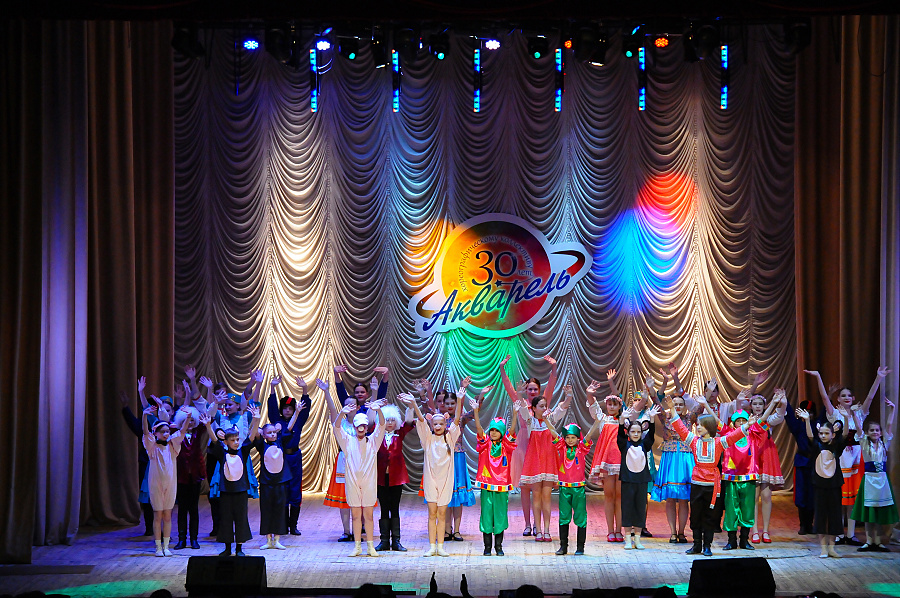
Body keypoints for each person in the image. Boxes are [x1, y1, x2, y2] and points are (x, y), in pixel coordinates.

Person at [804, 366, 889, 545]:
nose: (847, 398)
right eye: (843, 395)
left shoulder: (859, 413)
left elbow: (870, 397)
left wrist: (879, 377)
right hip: (841, 457)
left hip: (857, 456)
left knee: (852, 500)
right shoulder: (834, 413)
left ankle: (850, 534)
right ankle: (838, 533)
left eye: (849, 395)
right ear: (838, 399)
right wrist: (818, 376)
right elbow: (824, 397)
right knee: (839, 498)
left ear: (853, 398)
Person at [668, 396, 749, 557]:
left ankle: (707, 546)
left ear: (709, 427)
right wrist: (671, 408)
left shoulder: (718, 442)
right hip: (697, 484)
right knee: (695, 515)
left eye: (701, 425)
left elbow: (734, 436)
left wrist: (748, 424)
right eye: (697, 425)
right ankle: (697, 544)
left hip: (712, 486)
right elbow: (680, 428)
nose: (698, 427)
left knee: (710, 516)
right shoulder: (693, 441)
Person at [502, 355, 569, 543]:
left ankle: (543, 528)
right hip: (525, 444)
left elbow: (552, 387)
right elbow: (510, 389)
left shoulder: (543, 405)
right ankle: (527, 524)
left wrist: (554, 367)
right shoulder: (523, 406)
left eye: (535, 389)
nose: (532, 391)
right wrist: (502, 370)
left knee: (543, 491)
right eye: (529, 389)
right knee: (525, 487)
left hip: (543, 448)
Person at [325, 365, 389, 541]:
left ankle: (360, 530)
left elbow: (376, 418)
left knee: (361, 497)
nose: (350, 406)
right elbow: (334, 412)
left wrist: (375, 392)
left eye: (353, 404)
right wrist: (326, 391)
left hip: (362, 462)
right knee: (344, 499)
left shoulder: (363, 420)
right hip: (344, 461)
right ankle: (347, 531)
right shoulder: (342, 423)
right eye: (347, 404)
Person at [401, 387, 463, 557]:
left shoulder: (450, 438)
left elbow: (457, 420)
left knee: (442, 514)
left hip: (446, 482)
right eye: (435, 424)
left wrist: (459, 400)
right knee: (432, 514)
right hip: (431, 481)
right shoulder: (427, 439)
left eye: (441, 423)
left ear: (445, 424)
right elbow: (421, 421)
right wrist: (414, 404)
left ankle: (440, 546)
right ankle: (432, 546)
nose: (437, 426)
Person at [548, 387, 601, 556]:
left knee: (580, 516)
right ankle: (563, 546)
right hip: (564, 488)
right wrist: (546, 421)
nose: (570, 440)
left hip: (578, 488)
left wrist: (597, 423)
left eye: (573, 437)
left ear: (578, 438)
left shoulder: (581, 448)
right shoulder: (561, 447)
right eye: (568, 437)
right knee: (563, 516)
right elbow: (553, 432)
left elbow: (589, 435)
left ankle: (580, 547)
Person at [203, 406, 261, 557]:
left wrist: (256, 420)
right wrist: (208, 426)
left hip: (240, 491)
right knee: (226, 519)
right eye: (232, 440)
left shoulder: (243, 451)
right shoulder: (222, 453)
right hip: (226, 492)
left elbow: (251, 437)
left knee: (241, 518)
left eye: (237, 440)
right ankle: (228, 548)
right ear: (226, 442)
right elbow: (215, 441)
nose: (236, 442)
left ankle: (239, 548)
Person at [251, 389, 305, 550]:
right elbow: (255, 435)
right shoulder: (262, 445)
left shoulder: (281, 441)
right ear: (264, 435)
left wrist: (297, 413)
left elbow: (288, 428)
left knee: (281, 507)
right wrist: (256, 419)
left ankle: (278, 539)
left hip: (280, 481)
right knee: (267, 509)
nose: (273, 434)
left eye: (275, 432)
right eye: (270, 432)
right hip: (267, 483)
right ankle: (268, 539)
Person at [650, 364, 695, 544]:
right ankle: (673, 533)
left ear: (684, 406)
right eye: (675, 404)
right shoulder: (665, 417)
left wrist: (676, 379)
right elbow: (655, 401)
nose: (677, 406)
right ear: (671, 406)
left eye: (680, 404)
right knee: (670, 498)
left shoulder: (690, 418)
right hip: (669, 459)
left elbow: (701, 406)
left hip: (684, 459)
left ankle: (682, 532)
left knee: (684, 499)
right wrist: (651, 387)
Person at [469, 388, 517, 556]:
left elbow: (512, 431)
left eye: (497, 430)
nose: (494, 433)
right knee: (487, 516)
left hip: (501, 486)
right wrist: (476, 412)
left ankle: (499, 547)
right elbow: (479, 429)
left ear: (502, 432)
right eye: (492, 430)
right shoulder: (485, 444)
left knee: (500, 516)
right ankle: (487, 547)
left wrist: (515, 413)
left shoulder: (506, 446)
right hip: (487, 485)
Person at [797, 406, 849, 558]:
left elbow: (845, 434)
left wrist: (846, 418)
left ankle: (832, 547)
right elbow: (809, 435)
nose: (823, 436)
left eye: (826, 433)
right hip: (819, 485)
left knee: (834, 516)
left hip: (834, 485)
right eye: (821, 433)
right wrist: (807, 421)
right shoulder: (816, 446)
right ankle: (823, 548)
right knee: (820, 516)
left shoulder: (836, 446)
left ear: (833, 435)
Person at [141, 404, 192, 556]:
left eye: (167, 431)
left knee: (168, 515)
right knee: (158, 515)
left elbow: (182, 431)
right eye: (162, 431)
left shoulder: (172, 446)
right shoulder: (152, 447)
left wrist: (188, 417)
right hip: (156, 484)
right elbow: (145, 432)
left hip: (170, 484)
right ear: (156, 433)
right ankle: (158, 547)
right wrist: (144, 415)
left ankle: (166, 546)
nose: (166, 434)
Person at [850, 399, 898, 552]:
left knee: (879, 511)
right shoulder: (864, 443)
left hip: (882, 481)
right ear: (867, 432)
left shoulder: (884, 443)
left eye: (877, 430)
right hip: (869, 480)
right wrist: (853, 413)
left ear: (880, 432)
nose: (875, 432)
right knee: (869, 511)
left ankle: (878, 541)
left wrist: (892, 410)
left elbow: (889, 424)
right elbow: (858, 427)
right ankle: (869, 541)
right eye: (872, 430)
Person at [267, 375, 311, 536]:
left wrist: (304, 389)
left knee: (295, 489)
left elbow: (305, 407)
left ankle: (294, 526)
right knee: (283, 490)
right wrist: (272, 387)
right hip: (281, 458)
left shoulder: (298, 420)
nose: (287, 410)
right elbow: (272, 406)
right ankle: (284, 525)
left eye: (290, 408)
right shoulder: (276, 420)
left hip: (294, 458)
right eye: (285, 408)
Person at [588, 390, 630, 542]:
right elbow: (593, 407)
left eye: (614, 404)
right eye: (609, 404)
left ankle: (619, 530)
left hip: (621, 462)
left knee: (620, 497)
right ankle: (610, 531)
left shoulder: (625, 421)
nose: (611, 407)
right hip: (607, 464)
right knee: (609, 496)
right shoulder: (603, 419)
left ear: (619, 406)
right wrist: (589, 394)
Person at [616, 404, 660, 550]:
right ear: (628, 433)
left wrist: (652, 419)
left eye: (638, 432)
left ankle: (638, 539)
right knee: (627, 508)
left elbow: (651, 435)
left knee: (640, 509)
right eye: (633, 431)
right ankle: (628, 539)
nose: (636, 434)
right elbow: (620, 435)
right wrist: (621, 421)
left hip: (641, 481)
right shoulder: (624, 445)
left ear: (642, 433)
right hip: (628, 481)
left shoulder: (645, 445)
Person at [747, 390, 787, 544]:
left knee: (766, 496)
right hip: (752, 457)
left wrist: (782, 403)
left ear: (764, 406)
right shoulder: (748, 420)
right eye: (755, 404)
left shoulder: (769, 419)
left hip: (766, 456)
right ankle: (754, 531)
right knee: (753, 497)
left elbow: (780, 415)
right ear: (751, 406)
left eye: (760, 404)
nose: (758, 406)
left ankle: (765, 530)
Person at [375, 403, 415, 551]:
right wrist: (375, 409)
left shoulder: (400, 433)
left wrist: (410, 406)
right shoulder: (377, 434)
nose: (390, 423)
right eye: (387, 420)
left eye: (392, 420)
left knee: (395, 507)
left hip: (397, 478)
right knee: (384, 508)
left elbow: (409, 422)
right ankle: (384, 540)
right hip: (381, 478)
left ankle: (396, 541)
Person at [785, 399, 817, 536]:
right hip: (801, 462)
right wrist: (785, 401)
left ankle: (811, 524)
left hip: (815, 463)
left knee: (812, 494)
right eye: (805, 412)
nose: (808, 414)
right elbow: (789, 416)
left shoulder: (817, 425)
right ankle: (803, 524)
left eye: (810, 412)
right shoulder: (798, 425)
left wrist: (828, 395)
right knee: (801, 494)